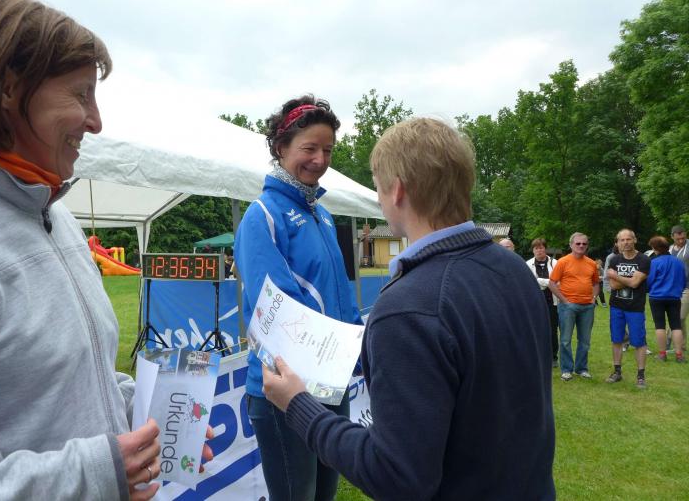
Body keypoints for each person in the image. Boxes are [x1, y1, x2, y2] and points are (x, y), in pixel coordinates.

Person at [0, 0, 212, 500]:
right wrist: (93, 473)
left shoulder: (56, 217)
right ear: (8, 90)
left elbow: (70, 382)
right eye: (81, 95)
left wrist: (144, 412)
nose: (96, 121)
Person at [261, 118, 555, 500]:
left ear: (397, 190)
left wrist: (299, 406)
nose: (379, 199)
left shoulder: (408, 309)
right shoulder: (514, 269)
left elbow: (397, 477)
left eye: (378, 186)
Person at [233, 95, 363, 501]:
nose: (320, 160)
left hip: (329, 383)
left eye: (328, 150)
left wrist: (362, 353)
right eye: (309, 148)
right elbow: (277, 309)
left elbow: (341, 295)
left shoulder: (322, 215)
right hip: (283, 389)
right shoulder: (262, 215)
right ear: (281, 148)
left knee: (325, 494)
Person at [549, 232, 600, 381]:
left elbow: (596, 283)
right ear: (571, 245)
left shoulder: (591, 263)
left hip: (587, 307)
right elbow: (552, 283)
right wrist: (565, 301)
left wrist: (593, 299)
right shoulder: (563, 262)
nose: (581, 246)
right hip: (568, 307)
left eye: (584, 243)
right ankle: (566, 369)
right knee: (565, 340)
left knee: (585, 340)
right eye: (578, 243)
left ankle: (581, 368)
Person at [604, 229, 651, 388]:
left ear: (634, 240)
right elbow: (613, 285)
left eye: (628, 239)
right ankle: (617, 372)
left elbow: (635, 283)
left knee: (638, 341)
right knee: (616, 339)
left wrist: (615, 275)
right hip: (616, 306)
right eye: (622, 240)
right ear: (617, 243)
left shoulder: (643, 259)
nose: (625, 242)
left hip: (635, 308)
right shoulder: (614, 260)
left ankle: (641, 376)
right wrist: (629, 279)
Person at [647, 236, 686, 362]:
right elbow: (684, 280)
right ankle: (679, 355)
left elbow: (649, 280)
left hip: (657, 297)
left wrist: (649, 289)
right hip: (674, 297)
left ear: (655, 248)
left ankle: (662, 354)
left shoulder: (654, 262)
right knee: (676, 326)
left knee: (660, 326)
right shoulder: (678, 262)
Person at [527, 238, 559, 367]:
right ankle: (538, 355)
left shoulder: (555, 263)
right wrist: (548, 282)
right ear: (533, 250)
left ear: (545, 249)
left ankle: (553, 357)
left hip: (552, 302)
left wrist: (540, 281)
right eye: (536, 248)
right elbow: (530, 282)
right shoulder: (527, 264)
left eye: (541, 247)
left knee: (552, 330)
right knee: (536, 329)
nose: (539, 250)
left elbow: (559, 282)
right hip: (535, 303)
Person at [669, 225, 689, 351]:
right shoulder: (670, 249)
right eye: (678, 239)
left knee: (680, 316)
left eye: (683, 238)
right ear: (672, 237)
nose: (681, 241)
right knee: (676, 315)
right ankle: (682, 345)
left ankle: (669, 341)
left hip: (687, 287)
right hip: (673, 287)